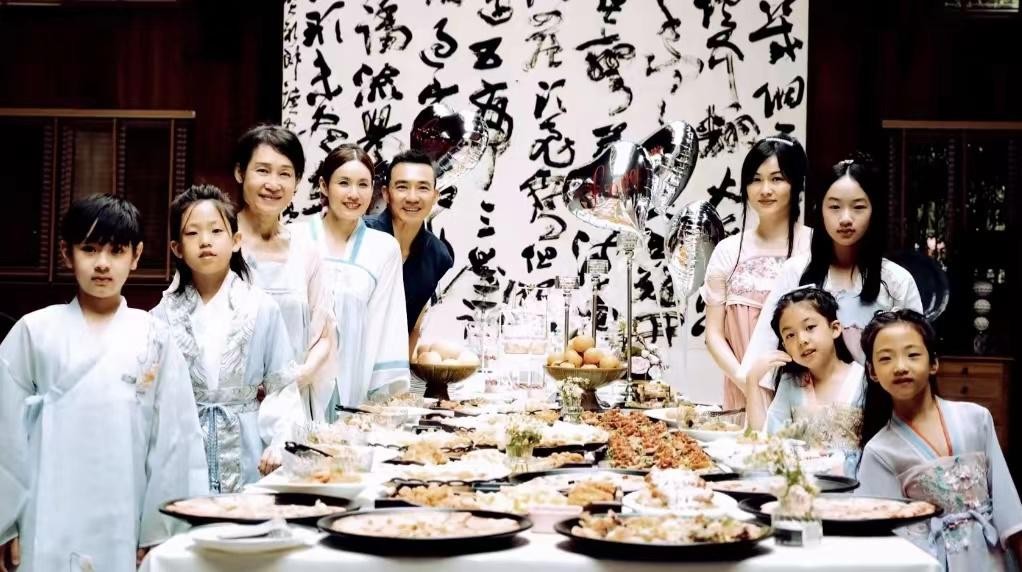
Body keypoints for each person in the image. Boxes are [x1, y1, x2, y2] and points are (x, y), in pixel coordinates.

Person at [0, 194, 205, 571]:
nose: (102, 264)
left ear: (136, 255)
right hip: (45, 510)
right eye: (89, 249)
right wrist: (6, 524)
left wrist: (159, 532)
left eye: (116, 250)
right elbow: (5, 433)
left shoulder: (155, 337)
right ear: (67, 253)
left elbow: (174, 443)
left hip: (125, 511)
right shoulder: (34, 332)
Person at [738, 154, 922, 408]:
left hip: (880, 414)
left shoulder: (896, 281)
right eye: (834, 207)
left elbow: (915, 360)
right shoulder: (795, 273)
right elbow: (764, 354)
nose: (845, 218)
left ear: (874, 211)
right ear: (820, 210)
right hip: (806, 415)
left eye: (858, 207)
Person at [151, 185, 297, 492]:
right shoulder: (161, 317)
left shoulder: (262, 308)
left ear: (236, 241)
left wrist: (279, 442)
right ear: (177, 248)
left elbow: (282, 386)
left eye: (216, 231)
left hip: (248, 450)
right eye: (192, 233)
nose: (205, 241)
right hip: (182, 446)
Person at [857, 309, 1022, 571]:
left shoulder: (976, 418)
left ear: (933, 362)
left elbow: (1008, 506)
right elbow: (883, 534)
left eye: (912, 354)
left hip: (990, 558)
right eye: (886, 358)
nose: (900, 367)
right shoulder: (879, 450)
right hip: (928, 561)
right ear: (872, 371)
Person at [701, 134, 812, 414]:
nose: (765, 189)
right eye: (755, 179)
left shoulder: (816, 247)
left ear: (796, 184)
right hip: (743, 395)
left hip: (805, 397)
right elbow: (713, 335)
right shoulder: (728, 251)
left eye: (777, 179)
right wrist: (748, 384)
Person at [299, 144, 409, 416]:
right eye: (343, 183)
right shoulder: (295, 239)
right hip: (296, 389)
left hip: (355, 393)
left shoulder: (383, 249)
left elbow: (387, 326)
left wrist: (378, 406)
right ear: (324, 186)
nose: (353, 194)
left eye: (363, 184)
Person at [234, 124, 334, 422]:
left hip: (291, 404)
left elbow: (325, 335)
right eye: (262, 170)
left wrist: (298, 378)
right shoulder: (218, 240)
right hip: (231, 407)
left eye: (285, 174)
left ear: (297, 182)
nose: (273, 183)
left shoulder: (306, 250)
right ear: (240, 173)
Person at [747, 287, 864, 475]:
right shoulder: (790, 383)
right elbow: (767, 444)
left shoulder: (864, 380)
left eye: (810, 327)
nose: (802, 340)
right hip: (801, 487)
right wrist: (752, 381)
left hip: (853, 488)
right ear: (784, 346)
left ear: (835, 328)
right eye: (790, 335)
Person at [365, 149, 454, 355]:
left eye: (423, 188)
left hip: (392, 367)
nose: (412, 197)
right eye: (402, 187)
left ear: (435, 196)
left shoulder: (438, 255)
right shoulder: (361, 235)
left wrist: (402, 370)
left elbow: (414, 327)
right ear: (386, 194)